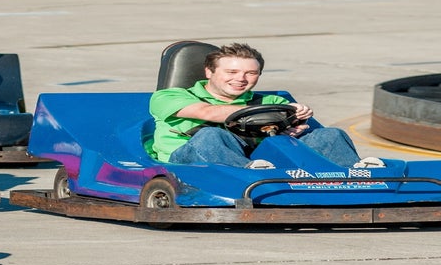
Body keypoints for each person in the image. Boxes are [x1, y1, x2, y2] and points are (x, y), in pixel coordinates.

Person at [150, 42, 384, 169]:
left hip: (264, 162)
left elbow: (294, 131)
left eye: (250, 73)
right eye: (231, 72)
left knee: (329, 135)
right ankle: (247, 174)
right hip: (185, 162)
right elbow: (207, 112)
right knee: (211, 135)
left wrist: (293, 126)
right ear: (209, 72)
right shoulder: (170, 96)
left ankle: (358, 174)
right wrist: (264, 116)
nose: (240, 79)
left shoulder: (270, 102)